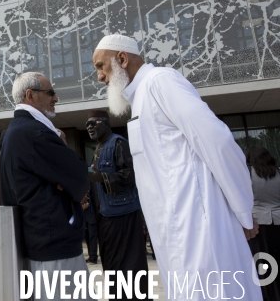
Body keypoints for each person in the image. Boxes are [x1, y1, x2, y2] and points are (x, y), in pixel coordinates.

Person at [92, 34, 261, 300]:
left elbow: (217, 141)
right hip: (173, 233)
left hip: (200, 228)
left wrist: (243, 209)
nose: (100, 77)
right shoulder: (140, 97)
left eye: (101, 66)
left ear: (122, 59)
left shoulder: (161, 81)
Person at [0, 72, 92, 301]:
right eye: (50, 92)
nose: (56, 98)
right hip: (55, 248)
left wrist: (63, 181)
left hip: (42, 243)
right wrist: (64, 167)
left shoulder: (16, 131)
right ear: (30, 95)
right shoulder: (36, 133)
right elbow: (80, 177)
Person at [86, 109, 149, 299]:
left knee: (128, 265)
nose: (89, 127)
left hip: (123, 215)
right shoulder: (99, 147)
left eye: (94, 123)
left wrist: (100, 177)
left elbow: (130, 174)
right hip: (106, 215)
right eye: (87, 124)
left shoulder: (118, 143)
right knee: (112, 265)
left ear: (106, 123)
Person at [246, 146, 280, 300]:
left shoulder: (248, 174)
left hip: (258, 226)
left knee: (263, 266)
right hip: (278, 222)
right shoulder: (278, 172)